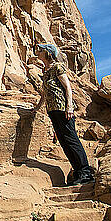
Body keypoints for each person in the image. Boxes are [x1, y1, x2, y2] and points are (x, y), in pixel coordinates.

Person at [31, 43, 94, 185]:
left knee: (71, 139)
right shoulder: (46, 71)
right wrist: (36, 109)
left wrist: (69, 106)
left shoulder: (57, 67)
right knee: (64, 141)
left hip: (63, 109)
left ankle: (86, 172)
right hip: (52, 110)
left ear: (47, 53)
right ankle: (78, 172)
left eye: (40, 50)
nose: (38, 52)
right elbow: (45, 93)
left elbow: (68, 88)